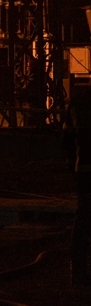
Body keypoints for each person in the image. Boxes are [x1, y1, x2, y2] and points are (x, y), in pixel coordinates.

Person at [64, 86, 91, 287]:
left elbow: (66, 140)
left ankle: (78, 272)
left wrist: (74, 166)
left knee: (83, 220)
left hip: (84, 170)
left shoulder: (78, 102)